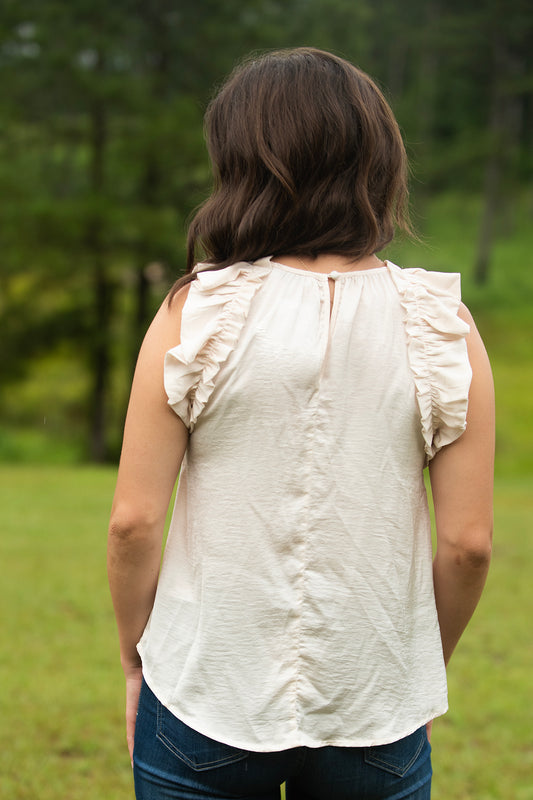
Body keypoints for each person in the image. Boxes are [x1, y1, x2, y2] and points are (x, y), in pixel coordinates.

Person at [107, 47, 494, 800]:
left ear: (241, 161)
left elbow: (132, 522)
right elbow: (467, 544)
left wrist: (134, 660)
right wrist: (413, 670)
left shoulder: (199, 309)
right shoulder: (441, 323)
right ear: (377, 162)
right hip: (374, 704)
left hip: (202, 691)